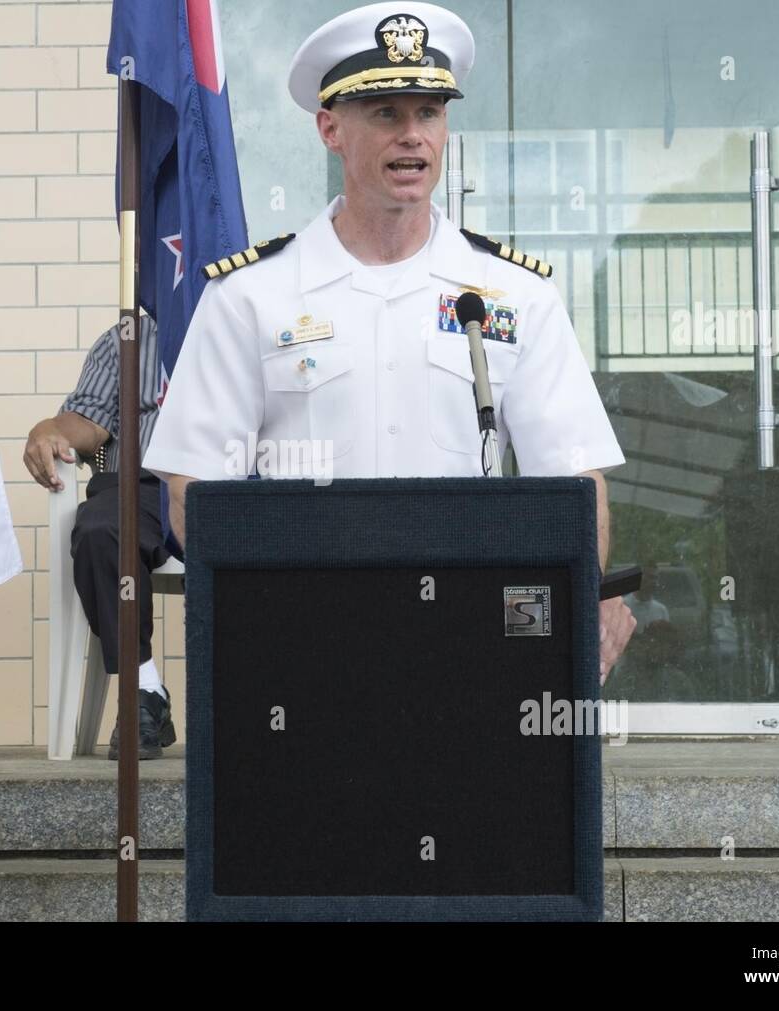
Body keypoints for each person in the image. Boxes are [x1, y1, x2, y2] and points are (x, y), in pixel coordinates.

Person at [143, 1, 636, 680]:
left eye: (428, 113)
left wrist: (576, 609)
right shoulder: (252, 296)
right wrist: (270, 617)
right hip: (309, 644)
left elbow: (576, 480)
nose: (413, 137)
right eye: (386, 114)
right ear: (330, 129)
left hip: (474, 644)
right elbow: (191, 485)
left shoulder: (511, 295)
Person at [23, 315, 177, 759]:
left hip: (229, 483)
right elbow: (88, 421)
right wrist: (47, 430)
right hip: (142, 485)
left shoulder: (256, 314)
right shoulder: (127, 339)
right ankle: (144, 690)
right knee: (98, 530)